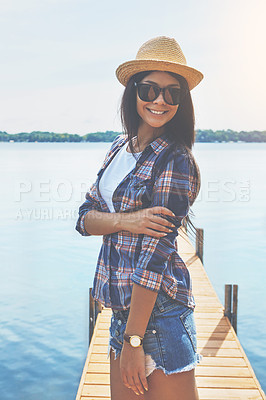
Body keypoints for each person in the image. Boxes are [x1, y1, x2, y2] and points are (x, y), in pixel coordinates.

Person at [76, 36, 204, 400]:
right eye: (150, 89)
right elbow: (85, 218)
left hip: (157, 315)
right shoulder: (120, 147)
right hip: (121, 314)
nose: (160, 100)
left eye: (172, 93)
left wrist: (134, 340)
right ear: (134, 91)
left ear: (182, 101)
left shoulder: (176, 160)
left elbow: (154, 256)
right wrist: (125, 221)